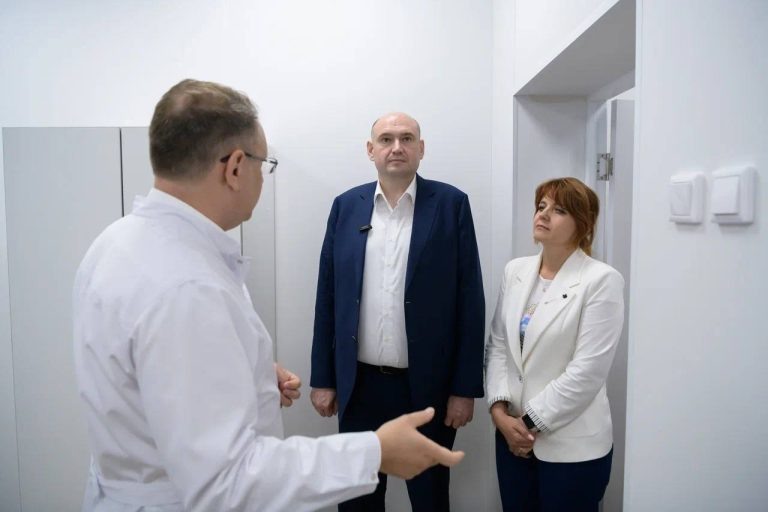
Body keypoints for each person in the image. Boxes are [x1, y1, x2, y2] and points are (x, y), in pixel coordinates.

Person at [73, 79, 465, 512]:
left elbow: (157, 375)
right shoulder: (187, 284)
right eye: (265, 165)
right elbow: (227, 481)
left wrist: (247, 372)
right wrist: (373, 453)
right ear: (235, 167)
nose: (263, 177)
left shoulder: (117, 242)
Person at [310, 112, 485, 511]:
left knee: (429, 497)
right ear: (370, 150)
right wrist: (323, 378)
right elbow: (327, 297)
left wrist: (464, 388)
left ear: (421, 149)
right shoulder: (346, 207)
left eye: (406, 138)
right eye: (386, 139)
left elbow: (469, 300)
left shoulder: (451, 205)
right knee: (357, 499)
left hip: (427, 387)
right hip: (359, 386)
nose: (396, 147)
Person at [485, 177, 625, 511]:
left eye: (559, 210)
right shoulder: (515, 271)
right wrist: (499, 413)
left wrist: (525, 425)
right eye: (541, 206)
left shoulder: (601, 280)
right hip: (511, 439)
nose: (544, 214)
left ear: (583, 224)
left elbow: (587, 372)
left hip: (571, 449)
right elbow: (499, 346)